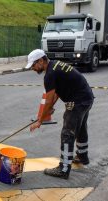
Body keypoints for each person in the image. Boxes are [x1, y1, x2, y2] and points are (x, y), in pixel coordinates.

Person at [26, 49, 94, 179]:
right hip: (87, 98)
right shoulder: (55, 65)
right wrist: (51, 107)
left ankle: (63, 169)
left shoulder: (50, 74)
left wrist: (40, 120)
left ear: (41, 60)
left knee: (67, 133)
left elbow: (49, 98)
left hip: (77, 101)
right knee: (80, 129)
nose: (33, 68)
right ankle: (82, 156)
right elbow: (57, 91)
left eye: (34, 65)